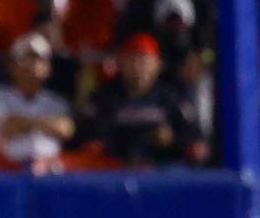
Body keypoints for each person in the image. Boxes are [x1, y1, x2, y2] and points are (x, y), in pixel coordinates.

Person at [83, 33, 206, 166]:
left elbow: (195, 141)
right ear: (121, 62)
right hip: (116, 169)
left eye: (143, 61)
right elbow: (90, 135)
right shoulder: (105, 96)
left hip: (162, 171)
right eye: (131, 59)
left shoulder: (171, 97)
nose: (137, 67)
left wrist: (172, 138)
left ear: (157, 64)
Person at [0, 32, 75, 165]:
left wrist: (24, 123)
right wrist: (45, 124)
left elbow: (65, 129)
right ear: (11, 66)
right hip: (4, 170)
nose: (32, 64)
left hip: (49, 171)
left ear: (48, 68)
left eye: (38, 58)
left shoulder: (56, 101)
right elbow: (2, 128)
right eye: (26, 57)